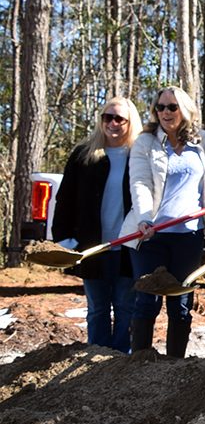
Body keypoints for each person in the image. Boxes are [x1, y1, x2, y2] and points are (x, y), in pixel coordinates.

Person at [125, 88, 205, 357]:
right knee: (146, 301)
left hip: (188, 235)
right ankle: (138, 362)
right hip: (151, 235)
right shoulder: (145, 142)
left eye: (171, 107)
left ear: (184, 109)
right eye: (160, 108)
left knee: (181, 302)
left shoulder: (201, 140)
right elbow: (140, 183)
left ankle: (175, 365)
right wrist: (145, 218)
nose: (165, 113)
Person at [52, 96, 143, 353]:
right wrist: (65, 240)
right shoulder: (84, 155)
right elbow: (65, 199)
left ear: (129, 122)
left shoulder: (139, 156)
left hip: (128, 248)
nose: (112, 123)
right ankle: (96, 363)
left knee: (126, 308)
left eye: (119, 119)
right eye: (107, 117)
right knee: (97, 309)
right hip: (92, 249)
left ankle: (120, 363)